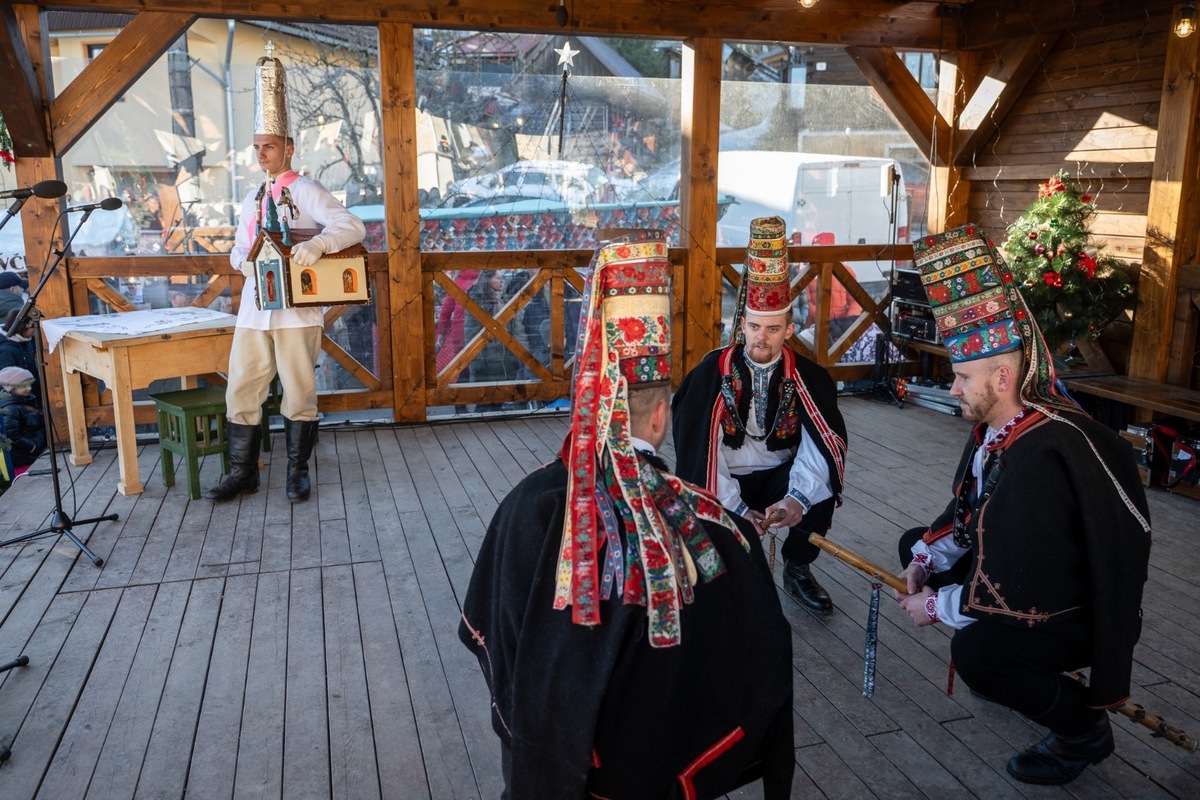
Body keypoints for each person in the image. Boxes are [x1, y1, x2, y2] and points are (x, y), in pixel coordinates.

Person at [459, 230, 794, 798]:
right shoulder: (719, 534)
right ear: (661, 416)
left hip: (536, 769)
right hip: (660, 781)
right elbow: (760, 664)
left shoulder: (523, 506)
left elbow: (490, 628)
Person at [894, 224, 1151, 786]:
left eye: (962, 377)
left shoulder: (1042, 451)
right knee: (914, 545)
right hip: (1037, 580)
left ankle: (1082, 731)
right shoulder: (1005, 423)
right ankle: (1019, 671)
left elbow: (1027, 578)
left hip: (1077, 609)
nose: (953, 388)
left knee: (979, 652)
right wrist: (925, 560)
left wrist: (938, 608)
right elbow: (971, 513)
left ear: (1003, 376)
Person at [206, 49, 365, 504]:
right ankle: (243, 473)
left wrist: (315, 246)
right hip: (255, 309)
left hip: (297, 310)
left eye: (269, 146)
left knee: (299, 391)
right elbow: (239, 246)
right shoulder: (253, 196)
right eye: (257, 146)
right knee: (242, 387)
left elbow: (353, 226)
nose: (262, 154)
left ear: (289, 148)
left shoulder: (307, 189)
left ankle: (297, 472)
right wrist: (244, 262)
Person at [672, 216, 848, 614]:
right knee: (712, 522)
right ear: (742, 326)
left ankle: (798, 567)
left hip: (777, 477)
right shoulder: (710, 374)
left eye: (772, 329)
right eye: (754, 327)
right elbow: (699, 451)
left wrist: (795, 499)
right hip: (725, 477)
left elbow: (822, 447)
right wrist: (734, 506)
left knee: (820, 494)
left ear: (788, 330)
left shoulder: (810, 379)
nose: (760, 339)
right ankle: (721, 575)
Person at [0, 366, 46, 469]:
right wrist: (33, 447)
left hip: (37, 454)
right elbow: (12, 436)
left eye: (29, 384)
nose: (29, 388)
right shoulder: (11, 409)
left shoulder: (27, 400)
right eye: (23, 385)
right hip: (25, 460)